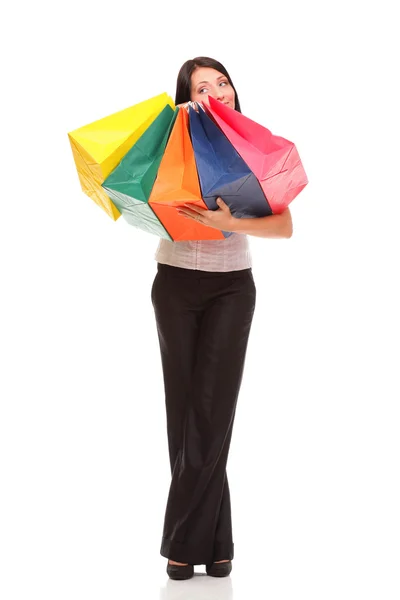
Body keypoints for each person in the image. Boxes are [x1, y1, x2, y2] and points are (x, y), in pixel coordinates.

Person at [151, 57, 293, 580]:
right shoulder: (170, 144)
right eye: (201, 87)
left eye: (222, 82)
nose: (216, 92)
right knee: (184, 413)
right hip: (174, 285)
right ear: (187, 97)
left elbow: (285, 227)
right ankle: (217, 541)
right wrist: (173, 130)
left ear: (234, 89)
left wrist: (230, 221)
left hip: (232, 288)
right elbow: (150, 199)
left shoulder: (253, 147)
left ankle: (182, 544)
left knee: (212, 414)